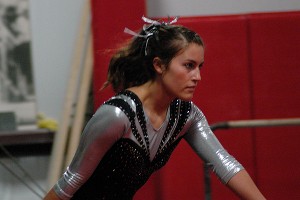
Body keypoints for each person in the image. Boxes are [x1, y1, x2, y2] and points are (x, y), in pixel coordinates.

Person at [44, 16, 266, 200]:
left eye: (200, 67)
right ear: (159, 65)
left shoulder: (186, 115)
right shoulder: (118, 115)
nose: (197, 77)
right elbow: (69, 183)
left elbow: (225, 164)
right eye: (188, 66)